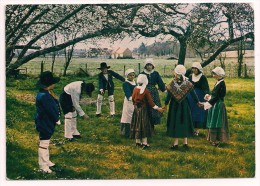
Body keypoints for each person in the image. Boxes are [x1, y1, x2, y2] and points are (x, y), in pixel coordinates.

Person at [164, 65, 201, 150]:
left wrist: (165, 104)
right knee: (185, 121)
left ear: (175, 73)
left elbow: (168, 96)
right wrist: (197, 102)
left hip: (174, 106)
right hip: (185, 106)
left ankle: (175, 144)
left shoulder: (172, 83)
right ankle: (185, 143)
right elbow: (193, 94)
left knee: (175, 122)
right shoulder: (187, 83)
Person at [34, 71, 60, 173]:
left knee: (46, 142)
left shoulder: (46, 93)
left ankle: (47, 161)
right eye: (52, 82)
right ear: (49, 84)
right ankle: (43, 166)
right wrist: (57, 119)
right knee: (44, 143)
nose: (54, 84)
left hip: (46, 121)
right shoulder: (44, 96)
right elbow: (50, 110)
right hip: (45, 122)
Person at [130, 74, 164, 149]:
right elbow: (151, 102)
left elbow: (132, 99)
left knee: (137, 125)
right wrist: (158, 108)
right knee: (144, 125)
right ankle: (144, 143)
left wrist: (136, 105)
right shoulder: (145, 91)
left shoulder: (135, 89)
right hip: (143, 111)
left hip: (136, 110)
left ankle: (138, 142)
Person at [203, 67, 229, 147]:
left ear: (218, 75)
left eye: (214, 74)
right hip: (214, 104)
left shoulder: (221, 84)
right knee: (213, 120)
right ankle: (213, 139)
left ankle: (216, 140)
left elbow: (218, 96)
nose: (213, 75)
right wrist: (209, 97)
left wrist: (208, 103)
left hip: (217, 105)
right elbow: (215, 95)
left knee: (216, 121)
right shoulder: (218, 82)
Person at [140, 58, 166, 131]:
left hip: (154, 93)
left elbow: (160, 83)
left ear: (153, 66)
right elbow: (139, 84)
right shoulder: (142, 74)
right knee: (146, 109)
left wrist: (164, 88)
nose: (149, 66)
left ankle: (152, 127)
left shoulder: (156, 73)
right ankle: (145, 127)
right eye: (147, 65)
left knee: (153, 109)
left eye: (150, 65)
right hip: (144, 92)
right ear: (145, 66)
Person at [187, 62, 210, 136]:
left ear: (198, 69)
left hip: (200, 97)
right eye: (193, 68)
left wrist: (206, 94)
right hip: (191, 97)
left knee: (198, 113)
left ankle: (196, 130)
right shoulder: (190, 77)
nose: (194, 70)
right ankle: (190, 128)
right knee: (191, 112)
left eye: (195, 68)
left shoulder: (203, 77)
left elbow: (206, 88)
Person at [120, 69, 136, 138]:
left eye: (133, 75)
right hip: (129, 102)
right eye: (130, 75)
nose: (132, 77)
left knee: (135, 116)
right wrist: (134, 98)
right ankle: (127, 133)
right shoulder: (125, 84)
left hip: (136, 101)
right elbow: (128, 95)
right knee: (128, 117)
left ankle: (135, 132)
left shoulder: (135, 83)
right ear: (127, 76)